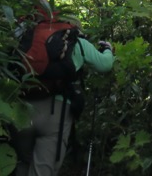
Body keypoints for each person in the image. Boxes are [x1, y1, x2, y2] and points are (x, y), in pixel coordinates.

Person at [11, 11, 114, 176]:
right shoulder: (76, 42)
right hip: (56, 112)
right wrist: (108, 50)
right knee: (43, 170)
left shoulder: (27, 38)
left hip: (21, 108)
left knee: (22, 163)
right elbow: (105, 65)